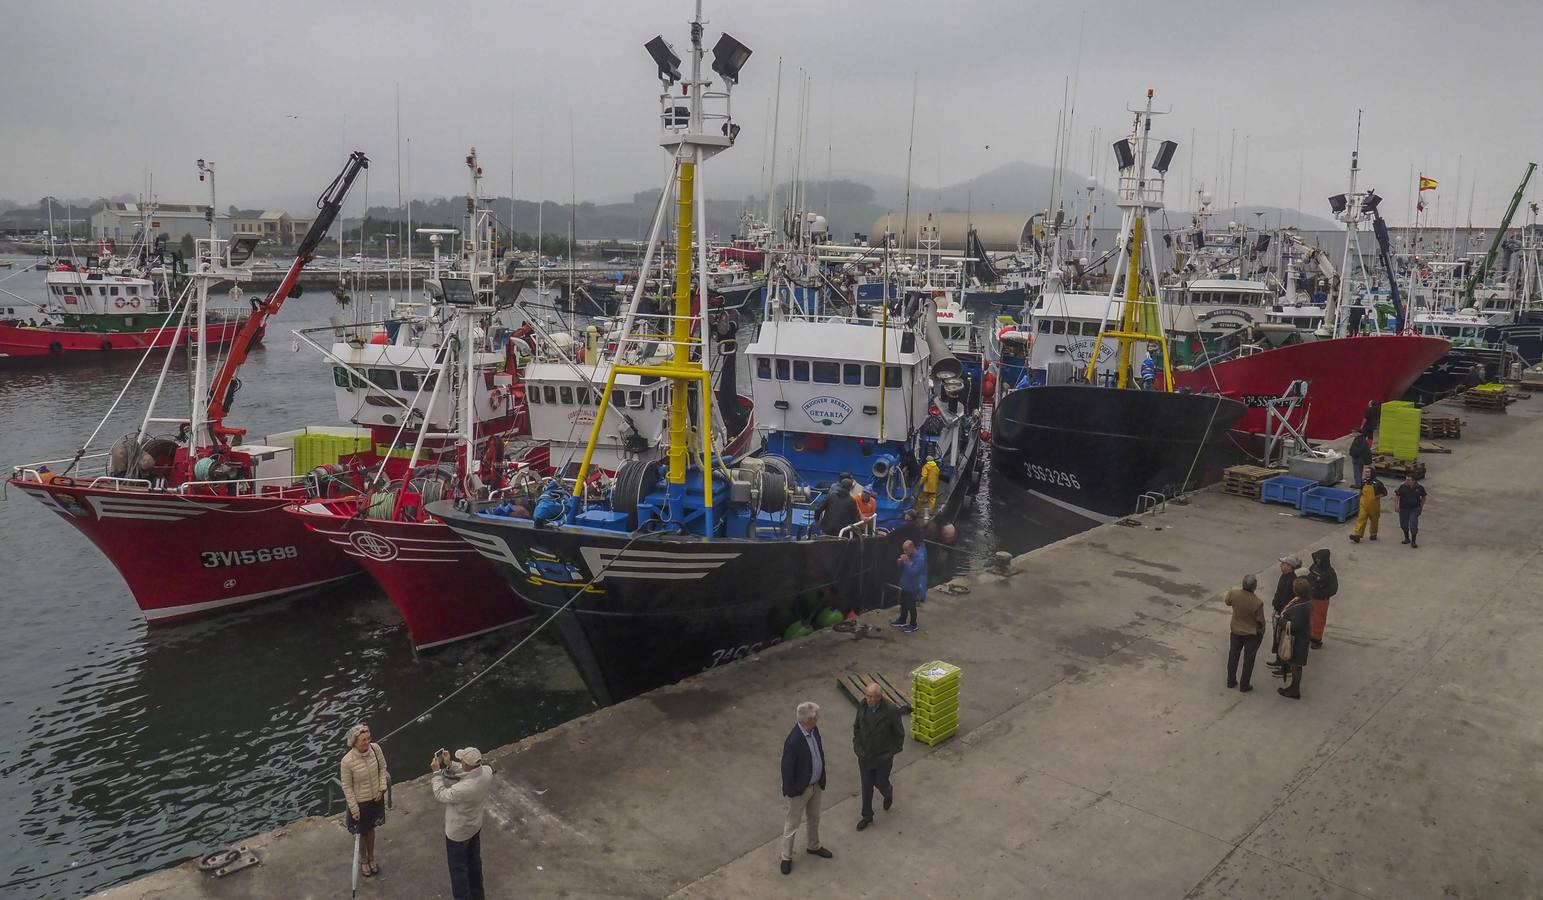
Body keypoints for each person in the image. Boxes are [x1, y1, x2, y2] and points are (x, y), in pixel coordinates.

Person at [431, 747, 493, 900]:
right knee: (474, 866)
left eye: (462, 761)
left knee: (459, 873)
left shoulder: (463, 789)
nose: (461, 762)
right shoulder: (486, 771)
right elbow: (468, 771)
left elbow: (441, 794)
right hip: (474, 827)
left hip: (457, 834)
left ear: (467, 765)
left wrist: (436, 773)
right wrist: (450, 764)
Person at [780, 701, 832, 875]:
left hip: (815, 785)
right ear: (809, 719)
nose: (818, 718)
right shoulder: (793, 741)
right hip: (800, 790)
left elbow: (819, 752)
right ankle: (786, 857)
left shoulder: (813, 730)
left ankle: (813, 846)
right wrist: (793, 791)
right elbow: (786, 769)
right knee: (792, 824)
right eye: (816, 716)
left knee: (814, 817)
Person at [851, 682, 905, 831]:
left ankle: (888, 792)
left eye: (872, 697)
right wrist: (857, 745)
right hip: (864, 756)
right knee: (866, 786)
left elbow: (899, 733)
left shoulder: (891, 711)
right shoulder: (862, 707)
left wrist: (891, 752)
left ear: (880, 697)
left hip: (882, 758)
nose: (869, 700)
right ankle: (866, 816)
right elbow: (856, 727)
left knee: (880, 783)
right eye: (867, 696)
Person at [340, 724, 389, 879]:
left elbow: (383, 768)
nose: (367, 742)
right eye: (363, 740)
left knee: (372, 830)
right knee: (361, 833)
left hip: (376, 798)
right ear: (354, 742)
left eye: (368, 738)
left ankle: (372, 857)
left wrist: (382, 788)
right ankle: (363, 860)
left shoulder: (376, 749)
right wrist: (354, 809)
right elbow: (347, 787)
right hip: (361, 803)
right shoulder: (347, 761)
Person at [1223, 574, 1267, 692]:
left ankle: (1231, 681)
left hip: (1236, 630)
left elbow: (1227, 602)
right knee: (1248, 660)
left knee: (1233, 655)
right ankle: (1244, 685)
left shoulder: (1234, 593)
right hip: (1251, 634)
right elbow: (1260, 621)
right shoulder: (1257, 603)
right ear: (1255, 587)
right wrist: (1261, 632)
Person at [1278, 577, 1314, 699]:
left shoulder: (1301, 606)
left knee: (1296, 665)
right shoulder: (1305, 602)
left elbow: (1295, 625)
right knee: (1295, 665)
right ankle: (1293, 686)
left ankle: (1295, 689)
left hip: (1298, 640)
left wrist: (1281, 621)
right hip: (1302, 638)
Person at [1268, 556, 1302, 673]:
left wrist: (1282, 612)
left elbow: (1288, 599)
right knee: (1277, 637)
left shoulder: (1292, 580)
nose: (1280, 565)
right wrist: (1275, 607)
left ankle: (1285, 666)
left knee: (1284, 639)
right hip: (1278, 611)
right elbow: (1278, 593)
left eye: (1283, 564)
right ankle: (1279, 659)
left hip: (1285, 614)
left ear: (1289, 566)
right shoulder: (1283, 576)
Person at [890, 540, 926, 634]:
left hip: (913, 587)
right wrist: (900, 562)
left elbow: (913, 573)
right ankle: (902, 619)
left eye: (906, 550)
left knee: (911, 606)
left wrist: (906, 562)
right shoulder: (909, 556)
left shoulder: (919, 558)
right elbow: (903, 569)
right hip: (905, 585)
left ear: (911, 548)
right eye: (904, 550)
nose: (905, 552)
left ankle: (914, 624)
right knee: (903, 604)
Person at [1307, 548, 1338, 650]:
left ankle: (1316, 639)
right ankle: (1308, 634)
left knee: (1318, 620)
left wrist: (1320, 593)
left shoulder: (1330, 572)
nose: (1318, 560)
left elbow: (1333, 589)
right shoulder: (1314, 566)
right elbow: (1308, 577)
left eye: (1320, 559)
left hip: (1321, 600)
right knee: (1308, 618)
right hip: (1309, 597)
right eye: (1317, 558)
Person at [1349, 467, 1386, 543]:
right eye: (1365, 472)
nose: (1366, 473)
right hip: (1364, 504)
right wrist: (1359, 497)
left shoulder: (1378, 483)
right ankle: (1357, 535)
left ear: (1372, 473)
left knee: (1374, 520)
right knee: (1361, 519)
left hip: (1374, 505)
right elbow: (1362, 490)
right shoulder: (1364, 481)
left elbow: (1385, 493)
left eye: (1368, 472)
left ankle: (1373, 534)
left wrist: (1376, 497)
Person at [1395, 474, 1427, 549]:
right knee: (1403, 524)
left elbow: (1424, 497)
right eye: (1406, 479)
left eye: (1408, 480)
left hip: (1414, 508)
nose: (1406, 481)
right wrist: (1396, 505)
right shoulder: (1402, 486)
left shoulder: (1419, 488)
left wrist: (1421, 506)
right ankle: (1407, 538)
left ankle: (1413, 541)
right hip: (1403, 508)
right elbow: (1397, 495)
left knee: (1413, 523)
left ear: (1413, 481)